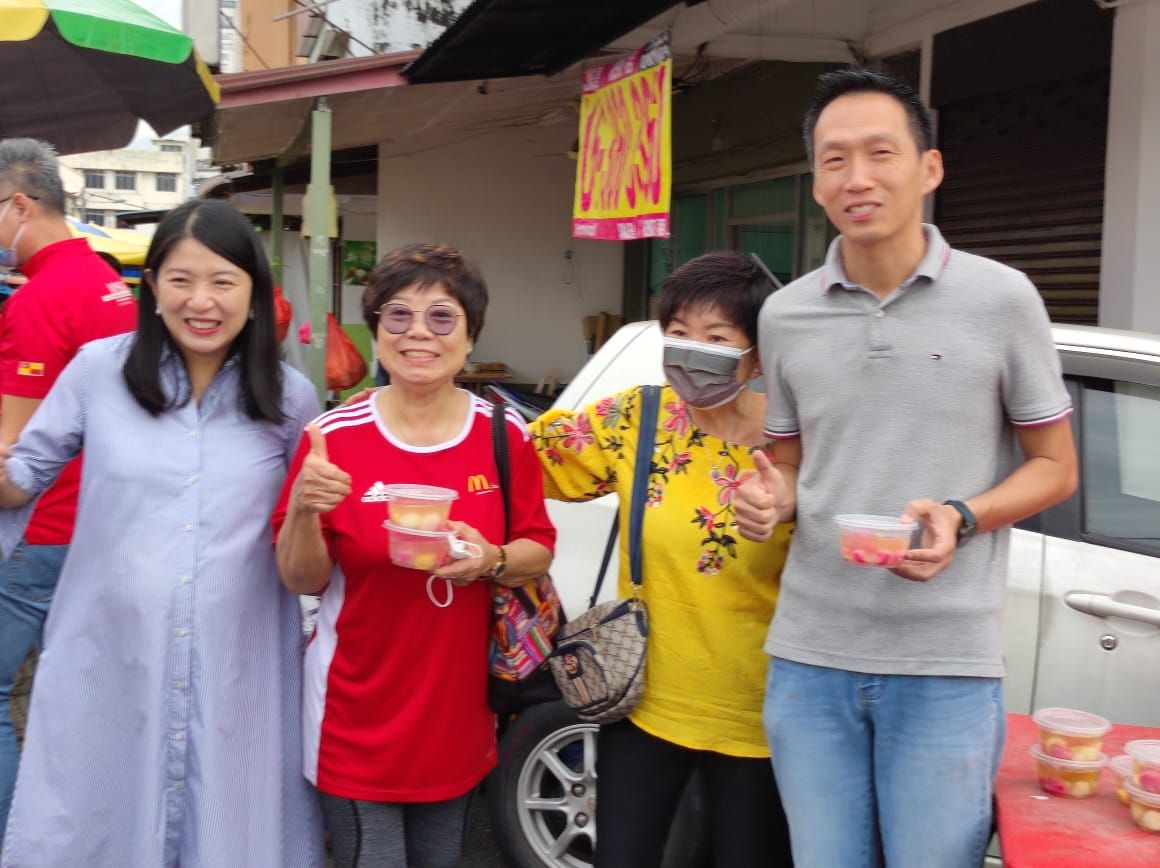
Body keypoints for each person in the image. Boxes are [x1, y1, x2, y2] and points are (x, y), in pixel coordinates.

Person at [733, 68, 1078, 868]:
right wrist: (768, 499)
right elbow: (788, 465)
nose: (857, 178)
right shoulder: (787, 314)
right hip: (811, 657)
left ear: (929, 168)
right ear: (815, 181)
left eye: (879, 153)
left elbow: (1055, 467)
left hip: (945, 663)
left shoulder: (1003, 299)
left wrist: (963, 515)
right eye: (833, 159)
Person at [0, 199, 325, 866]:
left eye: (223, 281)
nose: (200, 300)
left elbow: (307, 535)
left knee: (228, 824)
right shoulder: (97, 371)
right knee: (98, 823)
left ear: (255, 296)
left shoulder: (290, 399)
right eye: (180, 279)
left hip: (241, 666)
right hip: (109, 660)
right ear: (150, 289)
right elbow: (23, 476)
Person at [273, 243, 556, 868]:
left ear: (470, 335)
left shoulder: (502, 436)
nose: (418, 334)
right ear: (376, 330)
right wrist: (302, 508)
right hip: (355, 713)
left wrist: (489, 559)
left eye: (442, 317)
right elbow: (301, 577)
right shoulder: (332, 437)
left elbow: (538, 548)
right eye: (397, 316)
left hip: (457, 717)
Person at [532, 251, 793, 867]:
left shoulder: (796, 438)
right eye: (676, 334)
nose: (691, 350)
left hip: (761, 712)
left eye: (716, 337)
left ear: (755, 355)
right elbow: (524, 458)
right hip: (646, 701)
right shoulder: (635, 419)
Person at [0, 138, 136, 844]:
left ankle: (19, 843)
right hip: (109, 524)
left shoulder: (38, 301)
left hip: (43, 531)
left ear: (20, 204)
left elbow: (12, 467)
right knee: (81, 698)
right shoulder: (109, 282)